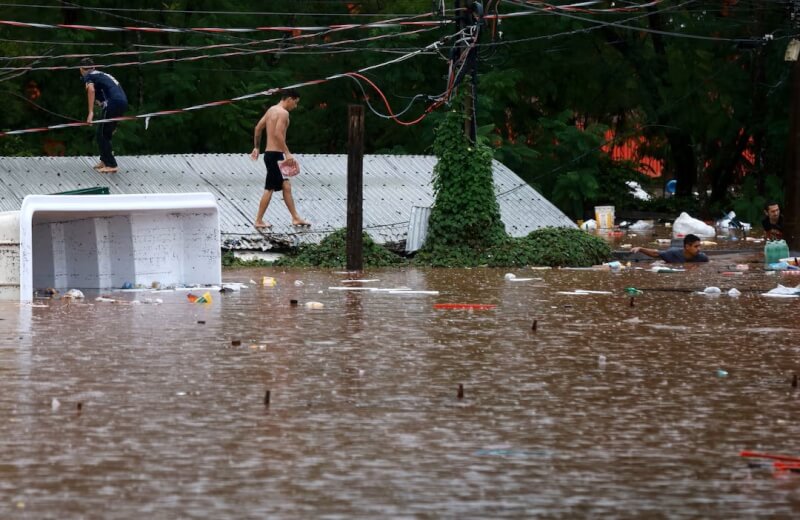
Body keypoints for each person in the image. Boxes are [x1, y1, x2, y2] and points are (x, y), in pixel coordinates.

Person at [250, 89, 310, 229]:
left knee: (286, 185)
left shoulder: (271, 110)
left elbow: (258, 128)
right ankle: (258, 220)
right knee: (269, 188)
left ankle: (295, 217)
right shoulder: (283, 113)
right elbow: (278, 134)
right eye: (295, 103)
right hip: (275, 155)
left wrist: (257, 147)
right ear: (289, 99)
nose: (295, 106)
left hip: (271, 154)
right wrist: (287, 153)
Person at [79, 58, 127, 174]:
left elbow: (91, 90)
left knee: (101, 134)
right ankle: (105, 160)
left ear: (81, 69)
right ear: (94, 67)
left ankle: (111, 165)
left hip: (113, 103)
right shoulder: (101, 74)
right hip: (122, 102)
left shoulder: (89, 76)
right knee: (105, 132)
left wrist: (90, 112)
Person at [631, 234, 710, 263]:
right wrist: (640, 249)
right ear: (687, 247)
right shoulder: (672, 254)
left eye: (699, 246)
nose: (699, 249)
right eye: (696, 246)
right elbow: (656, 253)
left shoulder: (702, 257)